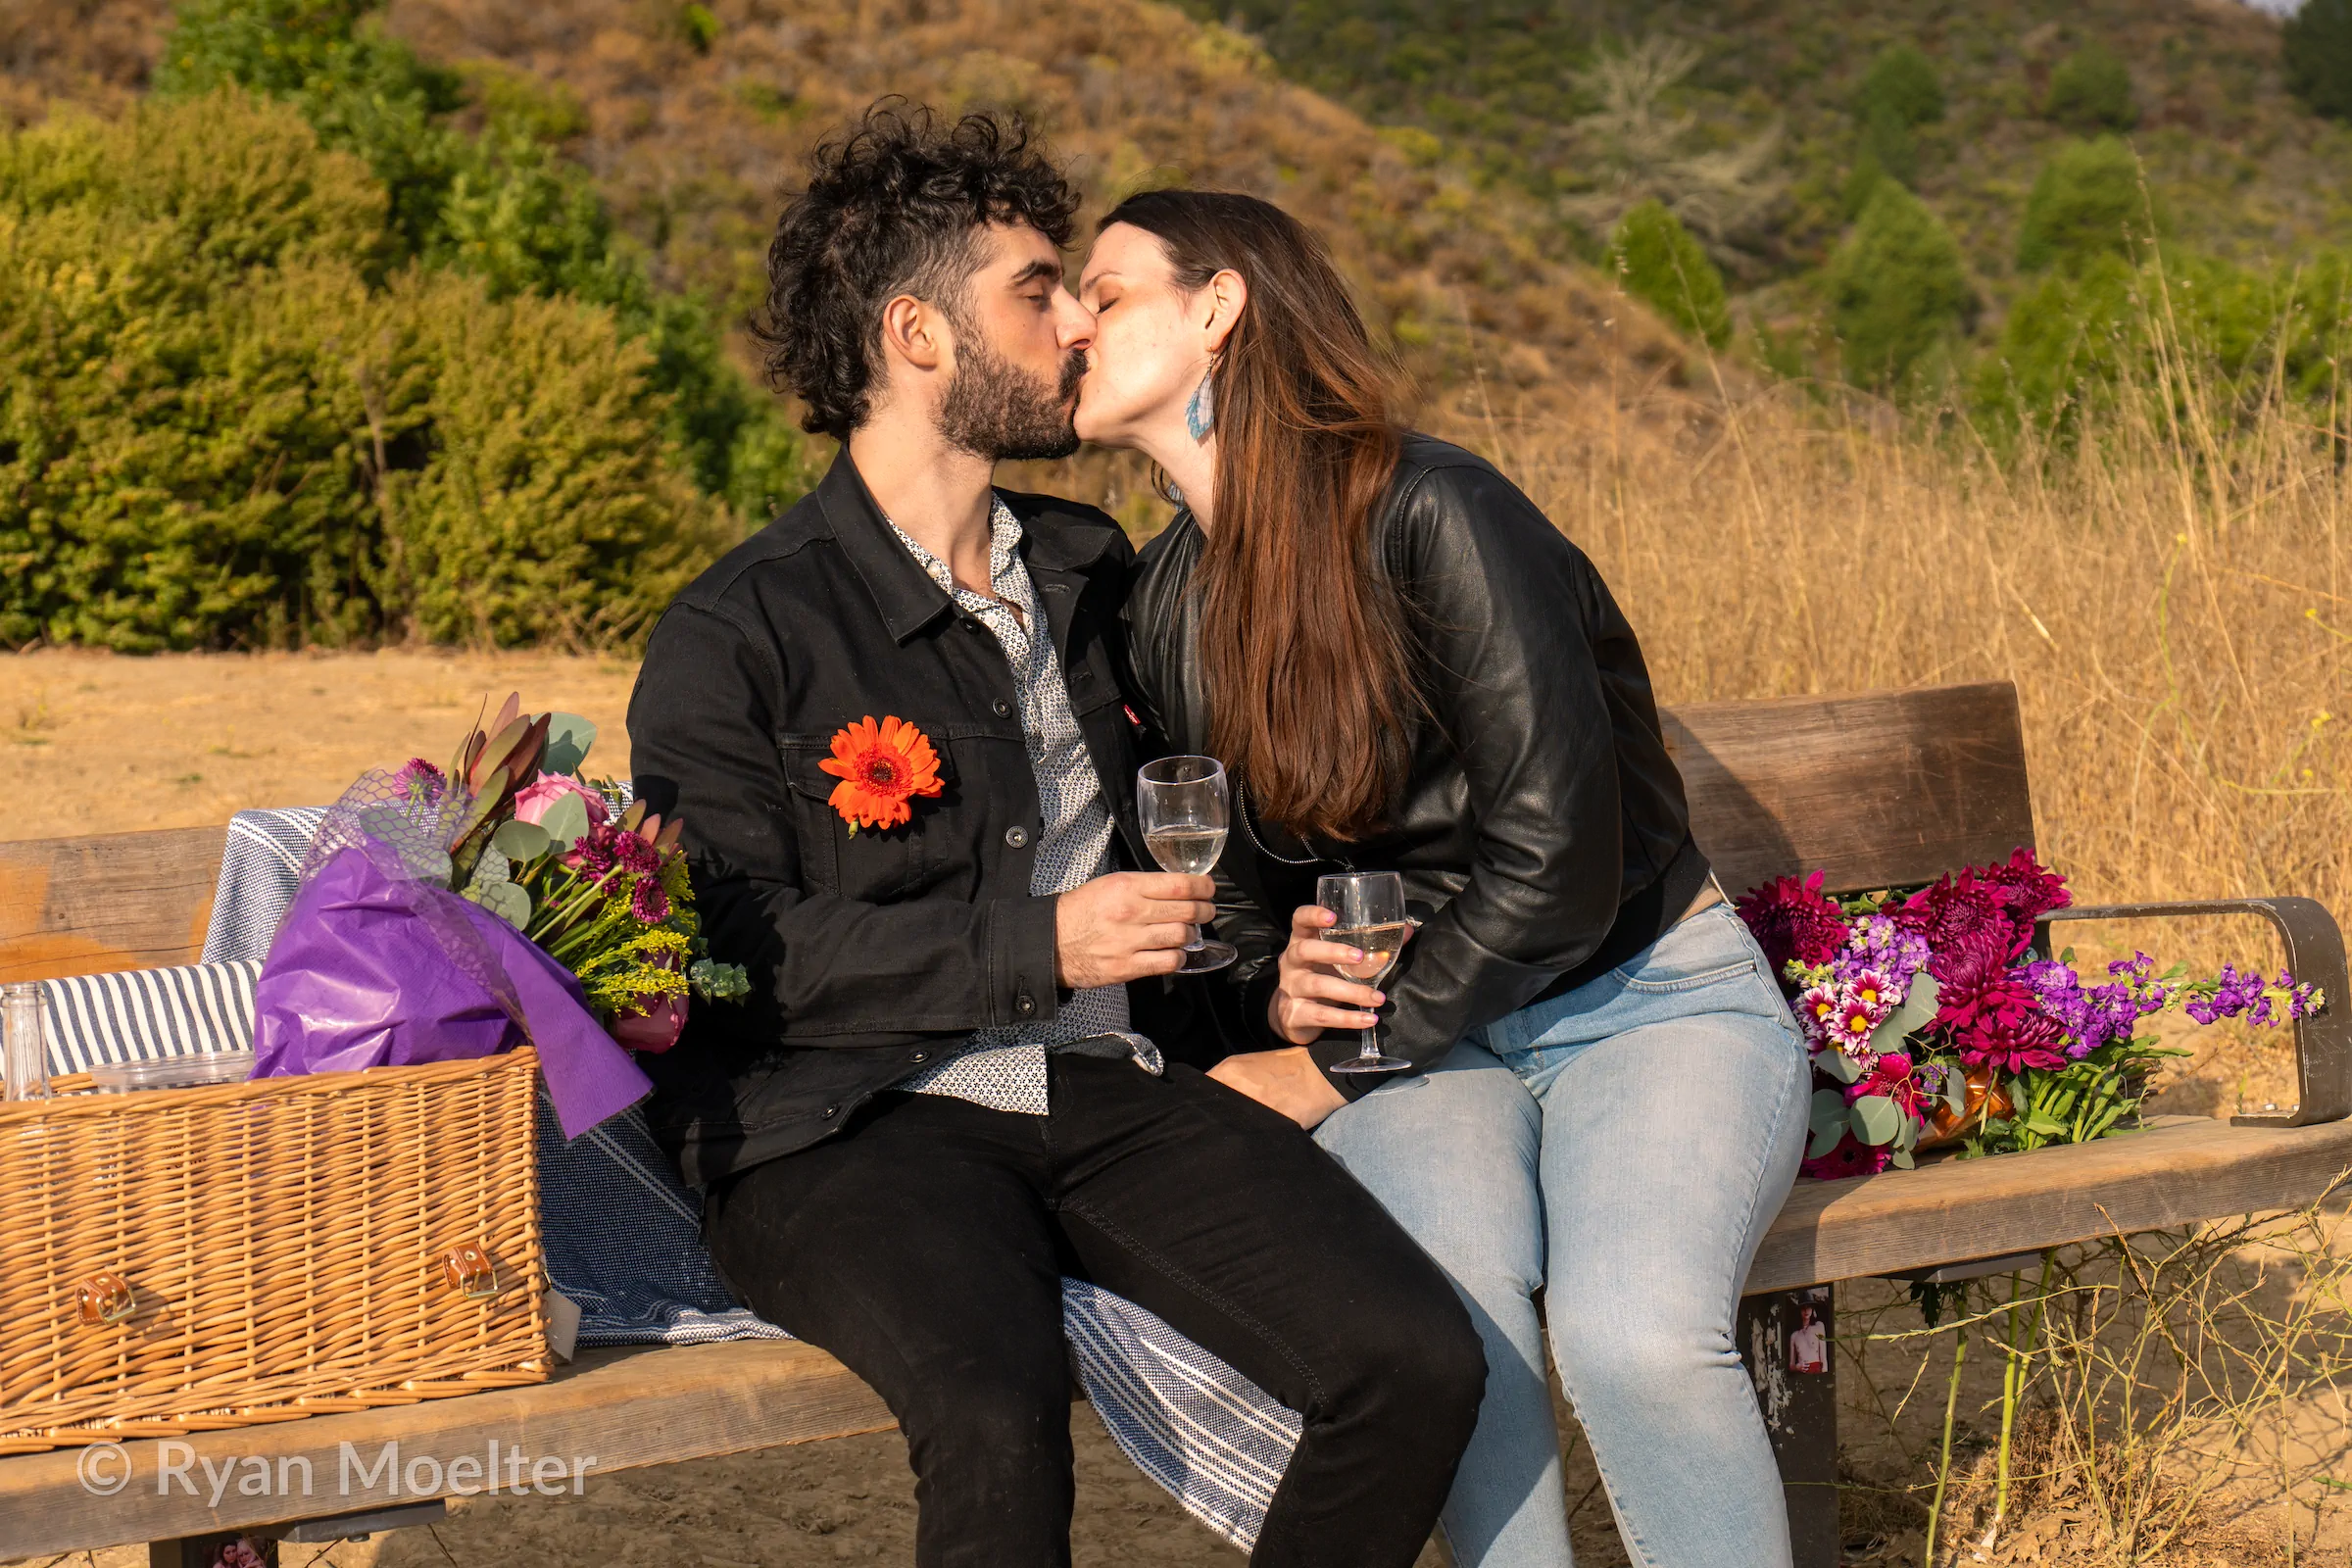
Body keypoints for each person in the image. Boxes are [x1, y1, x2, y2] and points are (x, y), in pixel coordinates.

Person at [625, 108, 1485, 1568]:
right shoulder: (741, 630)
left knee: (1415, 1363)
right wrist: (1041, 944)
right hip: (846, 1128)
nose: (1077, 321)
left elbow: (1194, 851)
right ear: (916, 334)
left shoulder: (1091, 571)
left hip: (1105, 1088)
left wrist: (1263, 987)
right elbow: (727, 951)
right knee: (995, 1409)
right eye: (1036, 291)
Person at [1077, 188, 1811, 1568]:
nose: (1071, 323)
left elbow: (1561, 858)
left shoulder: (1438, 510)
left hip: (1641, 1000)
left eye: (1105, 293)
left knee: (1634, 1336)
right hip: (1425, 1042)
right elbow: (1231, 887)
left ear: (1220, 308)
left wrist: (1331, 1063)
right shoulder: (1164, 598)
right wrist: (1279, 984)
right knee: (1448, 1336)